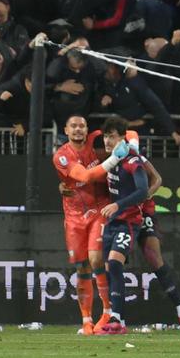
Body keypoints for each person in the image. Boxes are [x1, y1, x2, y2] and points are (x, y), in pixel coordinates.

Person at [52, 115, 130, 335]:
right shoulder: (61, 156)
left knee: (96, 259)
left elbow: (130, 133)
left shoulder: (96, 140)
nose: (78, 129)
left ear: (87, 129)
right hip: (74, 215)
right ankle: (86, 320)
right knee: (82, 267)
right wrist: (114, 159)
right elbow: (84, 176)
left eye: (82, 126)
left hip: (99, 209)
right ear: (66, 130)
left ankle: (107, 312)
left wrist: (129, 144)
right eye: (73, 126)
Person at [134, 149, 180, 335]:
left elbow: (157, 179)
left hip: (143, 213)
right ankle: (113, 318)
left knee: (155, 260)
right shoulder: (107, 161)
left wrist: (145, 195)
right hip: (119, 213)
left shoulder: (135, 156)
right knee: (112, 260)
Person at [96, 116, 149, 334]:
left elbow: (143, 191)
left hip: (128, 221)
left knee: (114, 263)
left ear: (122, 138)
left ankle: (116, 318)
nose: (107, 141)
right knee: (110, 269)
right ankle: (118, 319)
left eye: (112, 136)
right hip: (111, 222)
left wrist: (118, 205)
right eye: (105, 136)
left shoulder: (133, 160)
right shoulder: (112, 160)